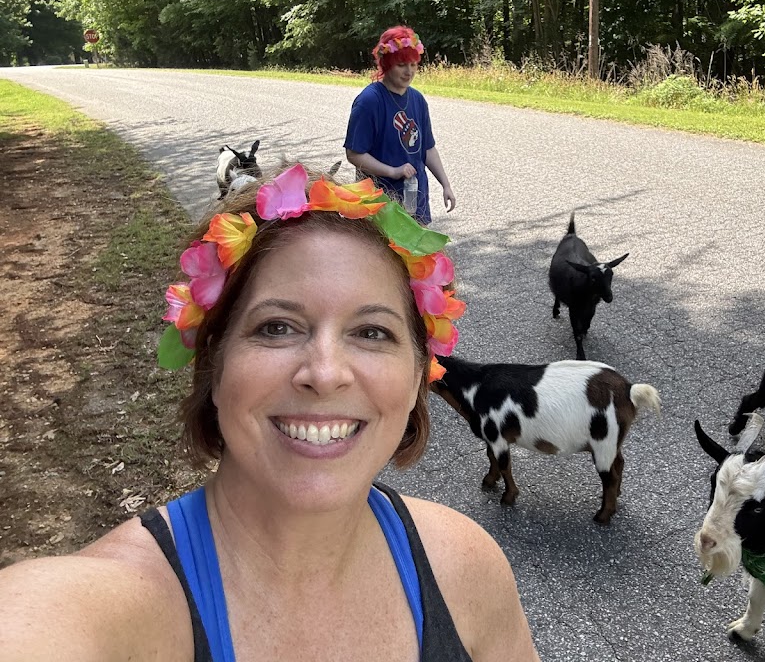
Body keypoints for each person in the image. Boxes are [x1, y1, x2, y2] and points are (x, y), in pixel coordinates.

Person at [0, 163, 538, 662]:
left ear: (420, 373)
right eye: (276, 327)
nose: (325, 373)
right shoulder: (91, 611)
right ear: (214, 366)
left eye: (372, 332)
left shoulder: (466, 571)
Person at [344, 25, 455, 224]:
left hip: (415, 200)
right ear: (386, 64)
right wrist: (392, 171)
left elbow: (427, 148)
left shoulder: (418, 100)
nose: (409, 72)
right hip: (379, 204)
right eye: (401, 65)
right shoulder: (369, 101)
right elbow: (354, 154)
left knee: (418, 244)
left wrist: (445, 184)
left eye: (413, 64)